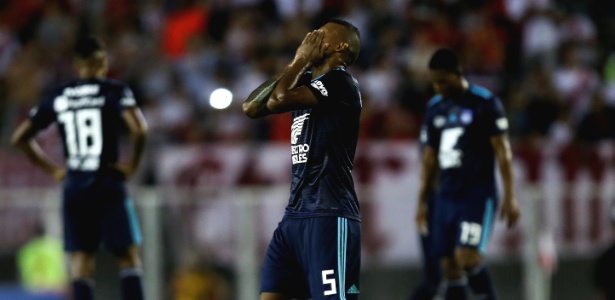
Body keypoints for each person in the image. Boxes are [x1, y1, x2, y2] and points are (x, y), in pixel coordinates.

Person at [11, 36, 148, 300]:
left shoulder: (59, 95)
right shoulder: (113, 90)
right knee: (128, 255)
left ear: (77, 65)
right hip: (107, 179)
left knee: (82, 259)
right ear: (101, 62)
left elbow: (20, 138)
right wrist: (131, 165)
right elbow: (139, 129)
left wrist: (53, 170)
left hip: (74, 183)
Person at [242, 19, 362, 300]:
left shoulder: (341, 82)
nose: (312, 36)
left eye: (322, 34)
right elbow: (251, 107)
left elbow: (278, 99)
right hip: (294, 216)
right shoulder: (309, 84)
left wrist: (299, 61)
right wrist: (296, 66)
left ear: (340, 47)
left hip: (329, 214)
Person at [415, 48, 520, 300]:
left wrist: (510, 195)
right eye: (435, 82)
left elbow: (503, 151)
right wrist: (421, 201)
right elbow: (429, 159)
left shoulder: (485, 103)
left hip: (476, 194)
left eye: (443, 80)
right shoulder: (435, 108)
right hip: (445, 195)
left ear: (457, 74)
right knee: (448, 267)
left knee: (467, 257)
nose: (438, 87)